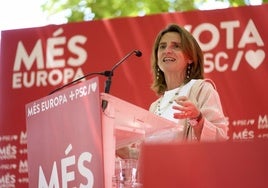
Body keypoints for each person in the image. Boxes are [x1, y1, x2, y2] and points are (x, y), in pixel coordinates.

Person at [148, 23, 229, 142]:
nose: (167, 51)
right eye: (162, 46)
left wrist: (197, 118)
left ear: (190, 57)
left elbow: (220, 140)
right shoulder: (154, 107)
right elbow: (148, 155)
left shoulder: (201, 90)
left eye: (176, 46)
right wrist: (124, 149)